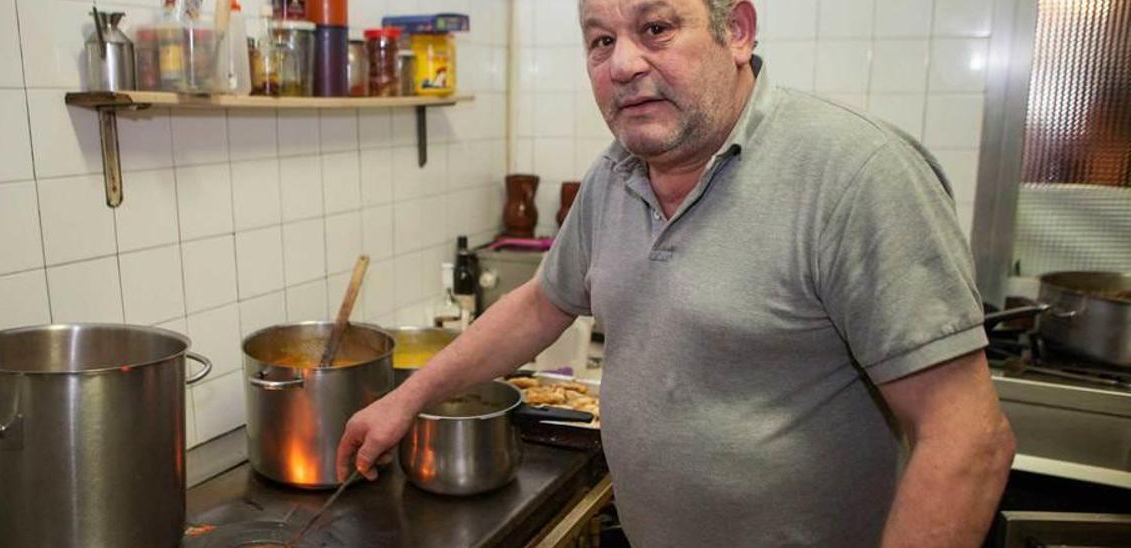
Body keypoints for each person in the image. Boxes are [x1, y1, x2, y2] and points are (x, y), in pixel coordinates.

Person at [337, 0, 1017, 545]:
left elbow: (968, 440)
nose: (623, 63)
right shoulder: (615, 174)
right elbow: (542, 305)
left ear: (739, 30)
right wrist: (406, 399)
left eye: (655, 27)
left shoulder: (856, 175)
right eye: (599, 41)